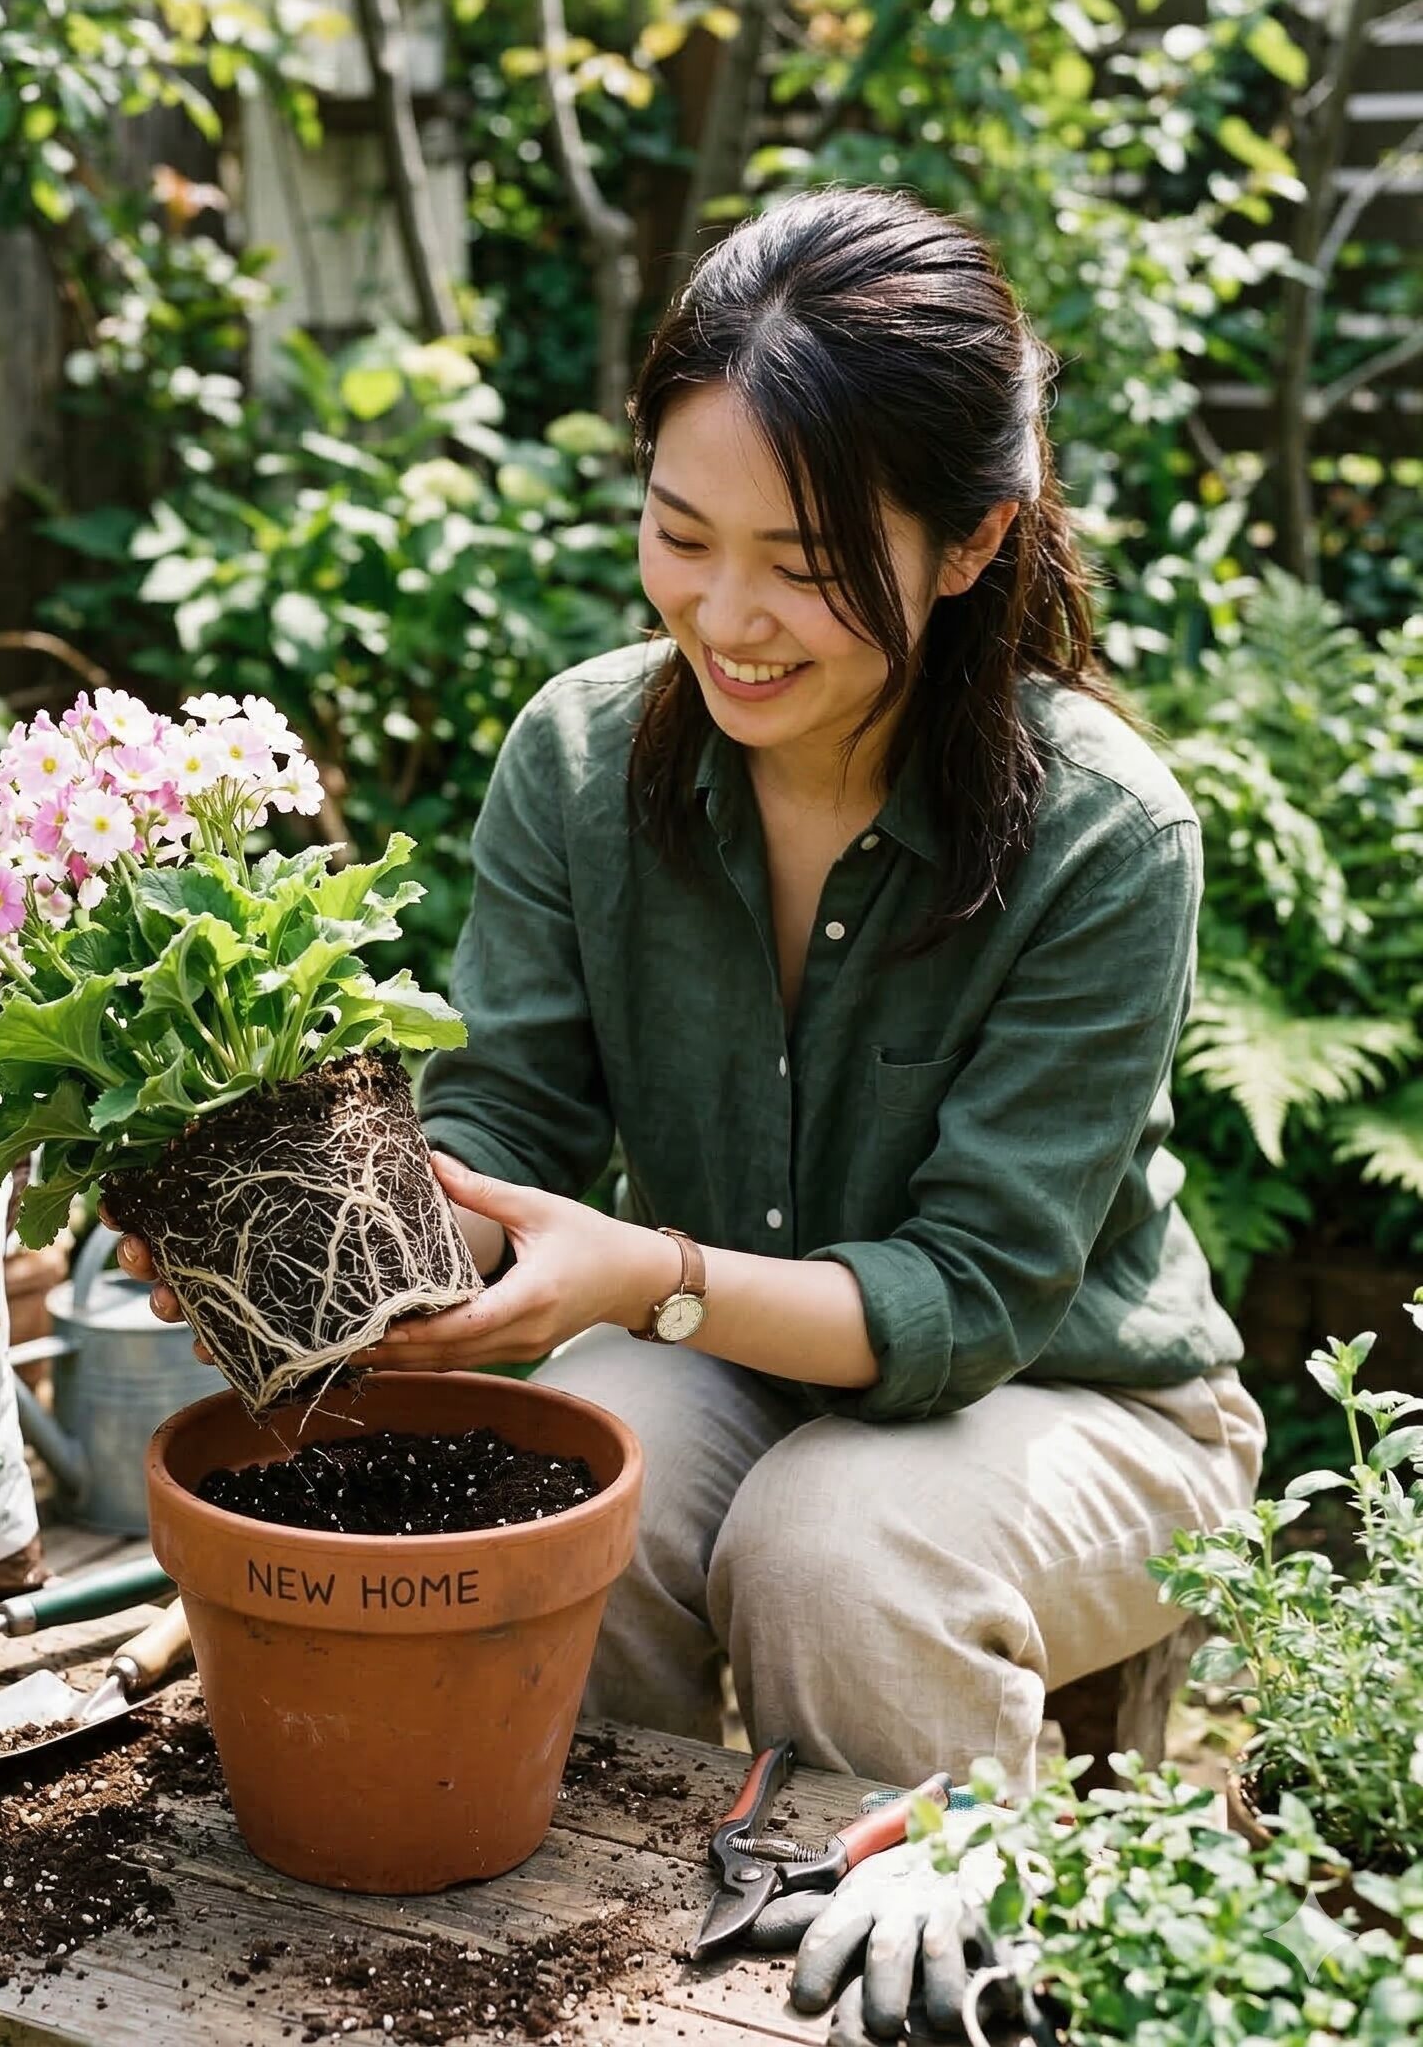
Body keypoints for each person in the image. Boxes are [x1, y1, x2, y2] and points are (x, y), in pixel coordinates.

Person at [118, 183, 1262, 1798]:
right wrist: (312, 1243)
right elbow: (510, 1125)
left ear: (975, 540)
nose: (726, 620)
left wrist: (643, 1274)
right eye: (680, 533)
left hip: (1084, 1406)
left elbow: (979, 1293)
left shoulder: (1106, 833)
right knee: (586, 1480)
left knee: (838, 1557)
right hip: (733, 1358)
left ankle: (943, 1968)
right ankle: (598, 1959)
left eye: (805, 565)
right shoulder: (583, 761)